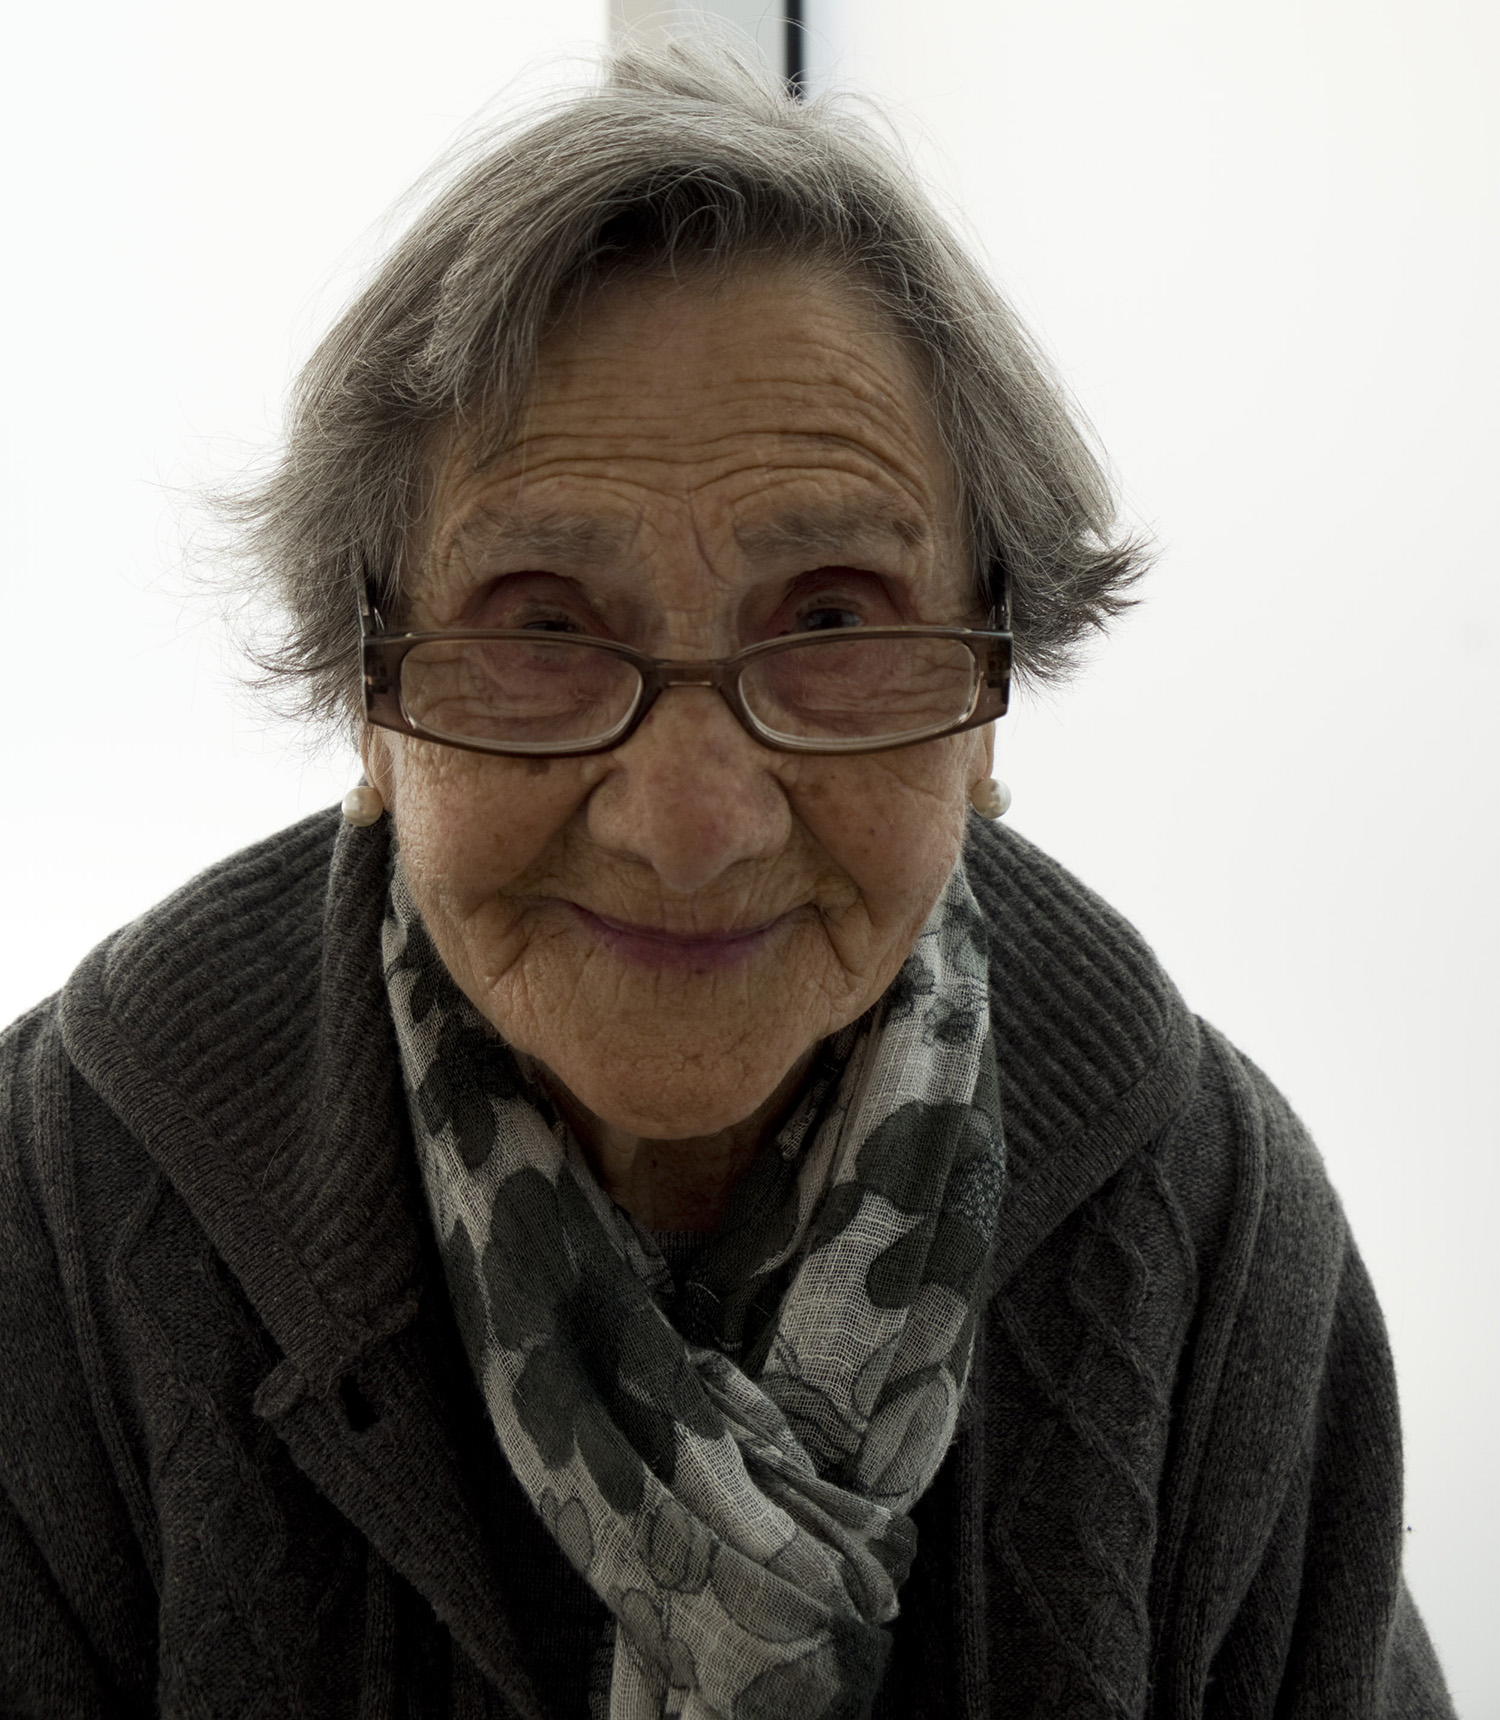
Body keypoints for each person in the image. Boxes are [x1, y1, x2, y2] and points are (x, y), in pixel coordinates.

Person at [0, 40, 1454, 1720]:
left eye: (832, 621)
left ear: (987, 699)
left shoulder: (1213, 1229)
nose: (691, 824)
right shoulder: (60, 1220)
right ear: (369, 700)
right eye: (542, 624)